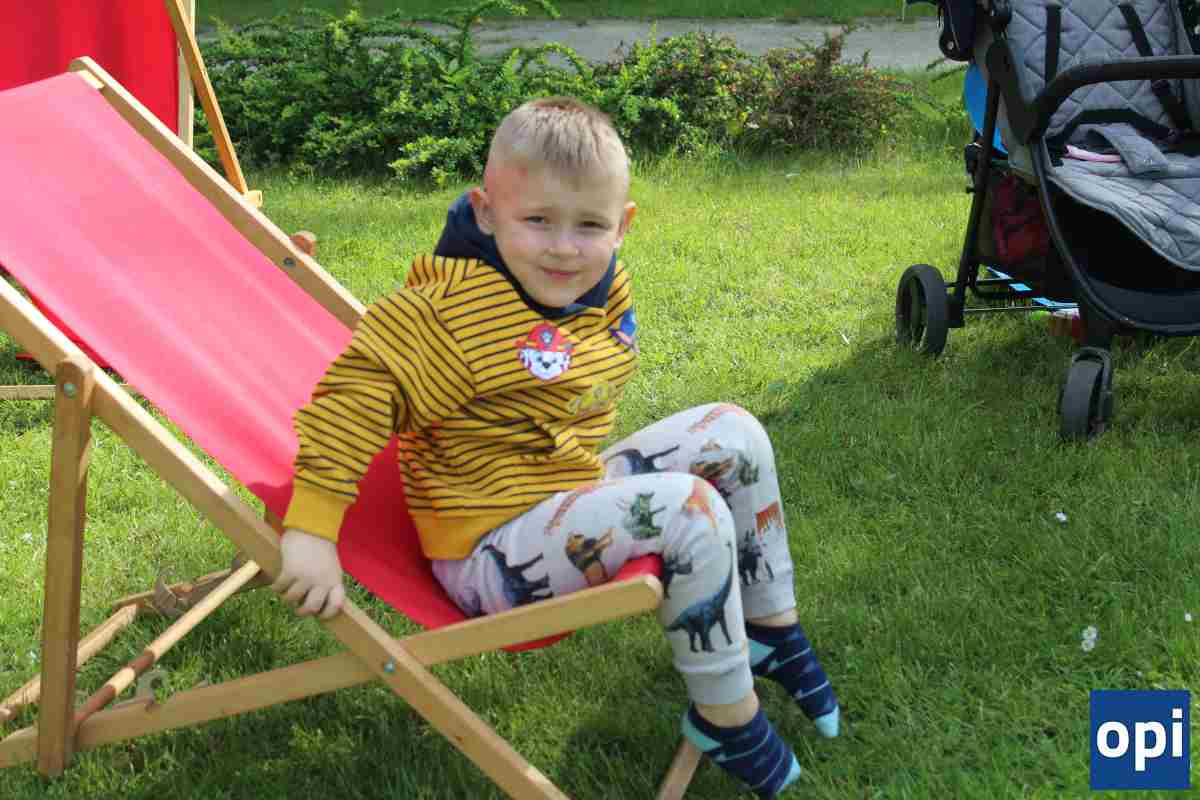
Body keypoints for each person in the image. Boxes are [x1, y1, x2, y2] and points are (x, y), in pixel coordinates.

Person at [271, 96, 838, 798]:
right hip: (489, 551)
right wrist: (311, 530)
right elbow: (351, 401)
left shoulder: (594, 283)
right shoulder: (449, 317)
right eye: (537, 220)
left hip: (563, 490)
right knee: (690, 509)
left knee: (734, 432)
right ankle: (726, 713)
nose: (565, 248)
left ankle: (771, 627)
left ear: (623, 225)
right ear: (485, 212)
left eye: (589, 225)